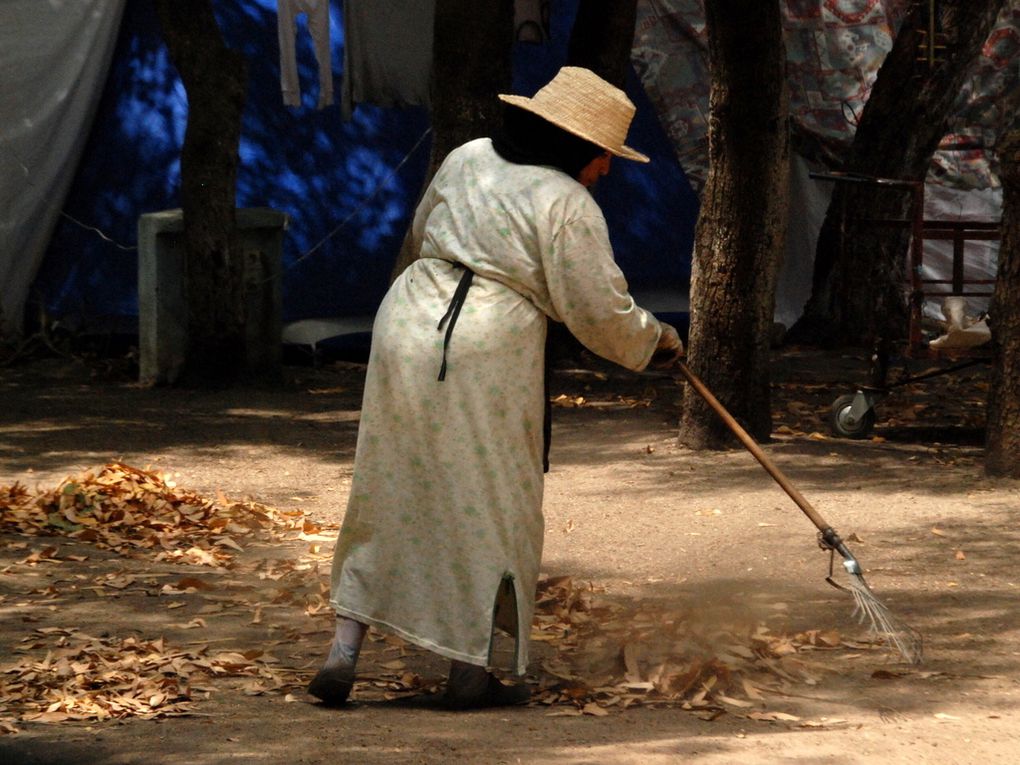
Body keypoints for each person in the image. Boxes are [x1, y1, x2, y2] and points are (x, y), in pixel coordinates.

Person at [308, 66, 685, 709]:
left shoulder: (467, 157)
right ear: (577, 147)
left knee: (389, 481)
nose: (607, 170)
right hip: (489, 341)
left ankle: (343, 651)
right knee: (488, 497)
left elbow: (422, 232)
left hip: (406, 320)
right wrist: (657, 342)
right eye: (603, 156)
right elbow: (597, 310)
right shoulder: (568, 203)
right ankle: (467, 670)